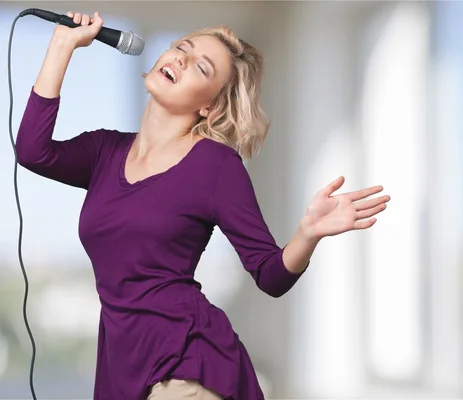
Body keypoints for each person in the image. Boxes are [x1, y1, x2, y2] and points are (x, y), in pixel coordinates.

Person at [15, 10, 391, 400]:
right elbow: (32, 151)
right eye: (181, 47)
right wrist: (62, 46)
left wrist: (308, 233)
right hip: (122, 365)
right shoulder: (104, 152)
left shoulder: (214, 165)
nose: (180, 58)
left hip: (187, 364)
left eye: (201, 67)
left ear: (209, 106)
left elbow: (270, 274)